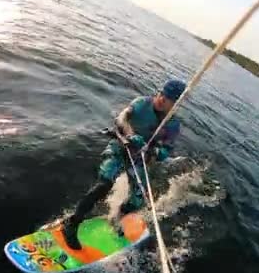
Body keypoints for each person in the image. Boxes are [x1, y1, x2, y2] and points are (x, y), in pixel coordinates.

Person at [62, 79, 186, 249]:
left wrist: (153, 151)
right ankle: (72, 224)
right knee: (104, 183)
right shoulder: (142, 103)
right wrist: (130, 134)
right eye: (162, 94)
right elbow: (121, 118)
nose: (161, 99)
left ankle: (117, 219)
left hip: (140, 158)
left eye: (168, 98)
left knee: (137, 200)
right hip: (121, 147)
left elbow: (166, 151)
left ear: (175, 104)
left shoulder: (173, 125)